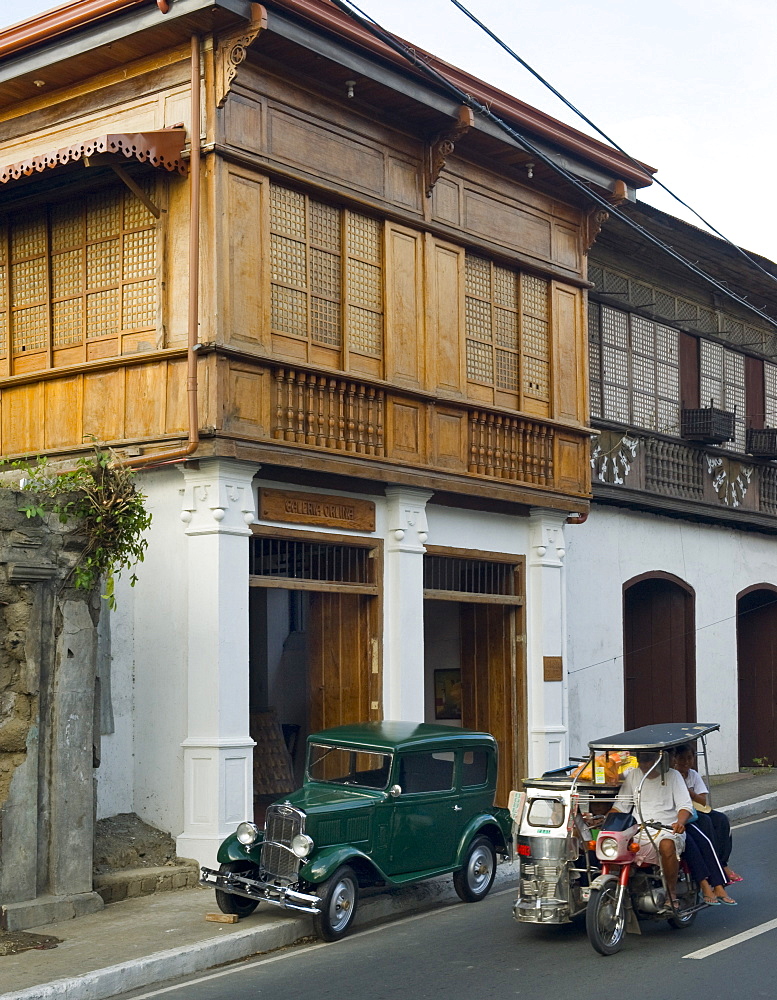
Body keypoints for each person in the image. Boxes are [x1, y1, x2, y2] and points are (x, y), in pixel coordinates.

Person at [611, 750, 693, 909]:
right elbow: (620, 806)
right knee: (613, 844)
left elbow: (685, 806)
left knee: (667, 845)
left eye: (648, 759)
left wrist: (680, 822)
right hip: (638, 829)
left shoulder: (673, 775)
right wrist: (606, 822)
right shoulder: (634, 775)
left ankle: (671, 893)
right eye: (641, 760)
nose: (645, 764)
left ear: (659, 759)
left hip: (668, 828)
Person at [673, 744, 742, 885]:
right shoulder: (672, 775)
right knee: (706, 823)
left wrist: (689, 792)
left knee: (722, 820)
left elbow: (703, 800)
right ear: (675, 760)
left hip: (697, 808)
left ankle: (722, 862)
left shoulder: (693, 775)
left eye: (689, 758)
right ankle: (715, 865)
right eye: (682, 759)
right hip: (682, 811)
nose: (686, 762)